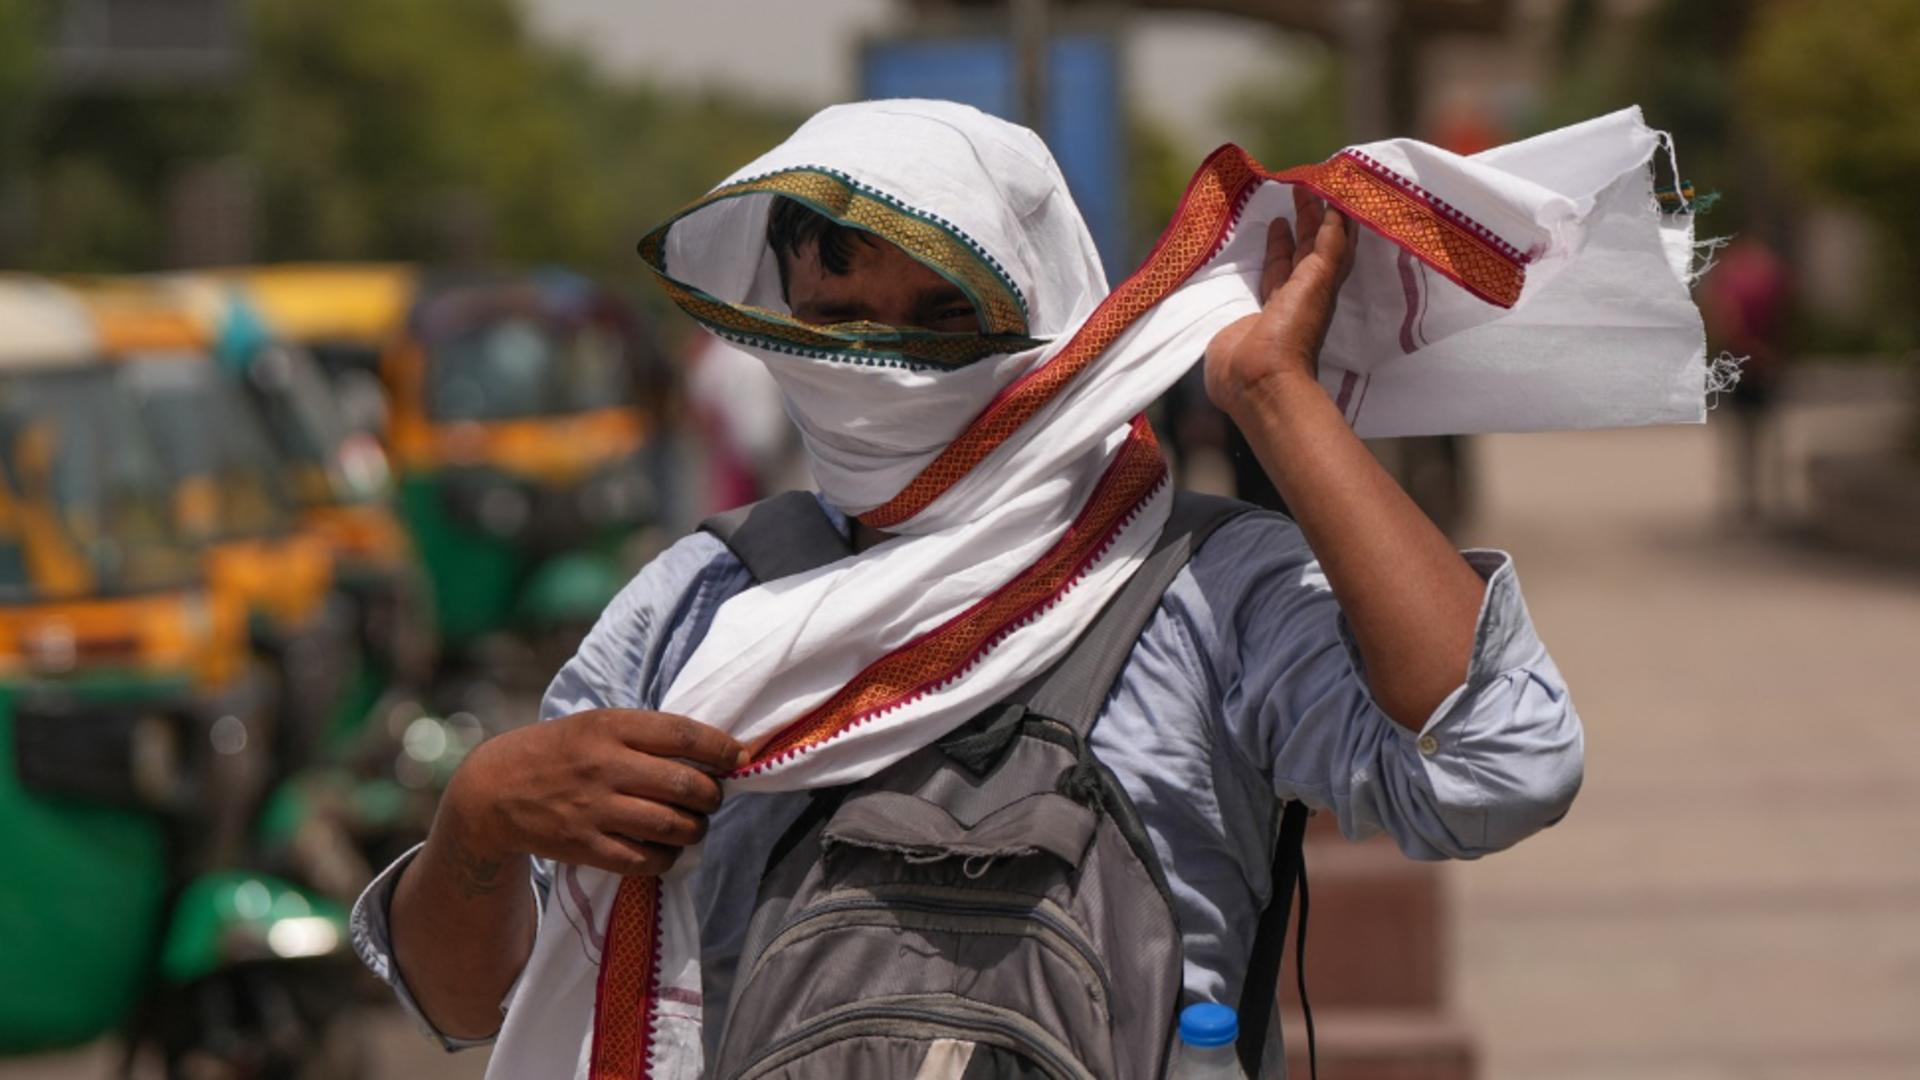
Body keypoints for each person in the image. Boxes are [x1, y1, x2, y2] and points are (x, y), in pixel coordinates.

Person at [351, 101, 1585, 1076]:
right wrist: (475, 829)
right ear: (785, 323)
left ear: (1048, 314)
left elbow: (1497, 767)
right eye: (841, 321)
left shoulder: (1202, 591)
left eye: (943, 323)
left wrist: (1273, 394)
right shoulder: (696, 607)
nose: (887, 370)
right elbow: (469, 1005)